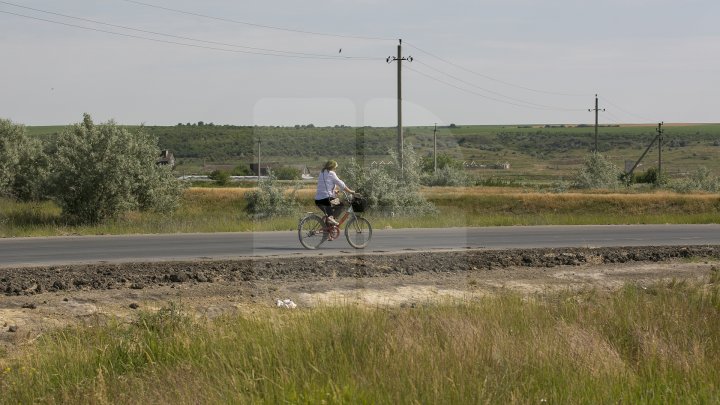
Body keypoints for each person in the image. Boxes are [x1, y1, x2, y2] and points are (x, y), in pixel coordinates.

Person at [315, 160, 355, 226]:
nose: (335, 169)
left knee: (331, 210)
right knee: (341, 205)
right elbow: (341, 184)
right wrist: (351, 191)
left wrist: (334, 191)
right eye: (335, 167)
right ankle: (331, 219)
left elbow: (324, 187)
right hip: (326, 199)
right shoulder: (331, 173)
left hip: (318, 200)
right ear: (332, 167)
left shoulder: (322, 172)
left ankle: (328, 226)